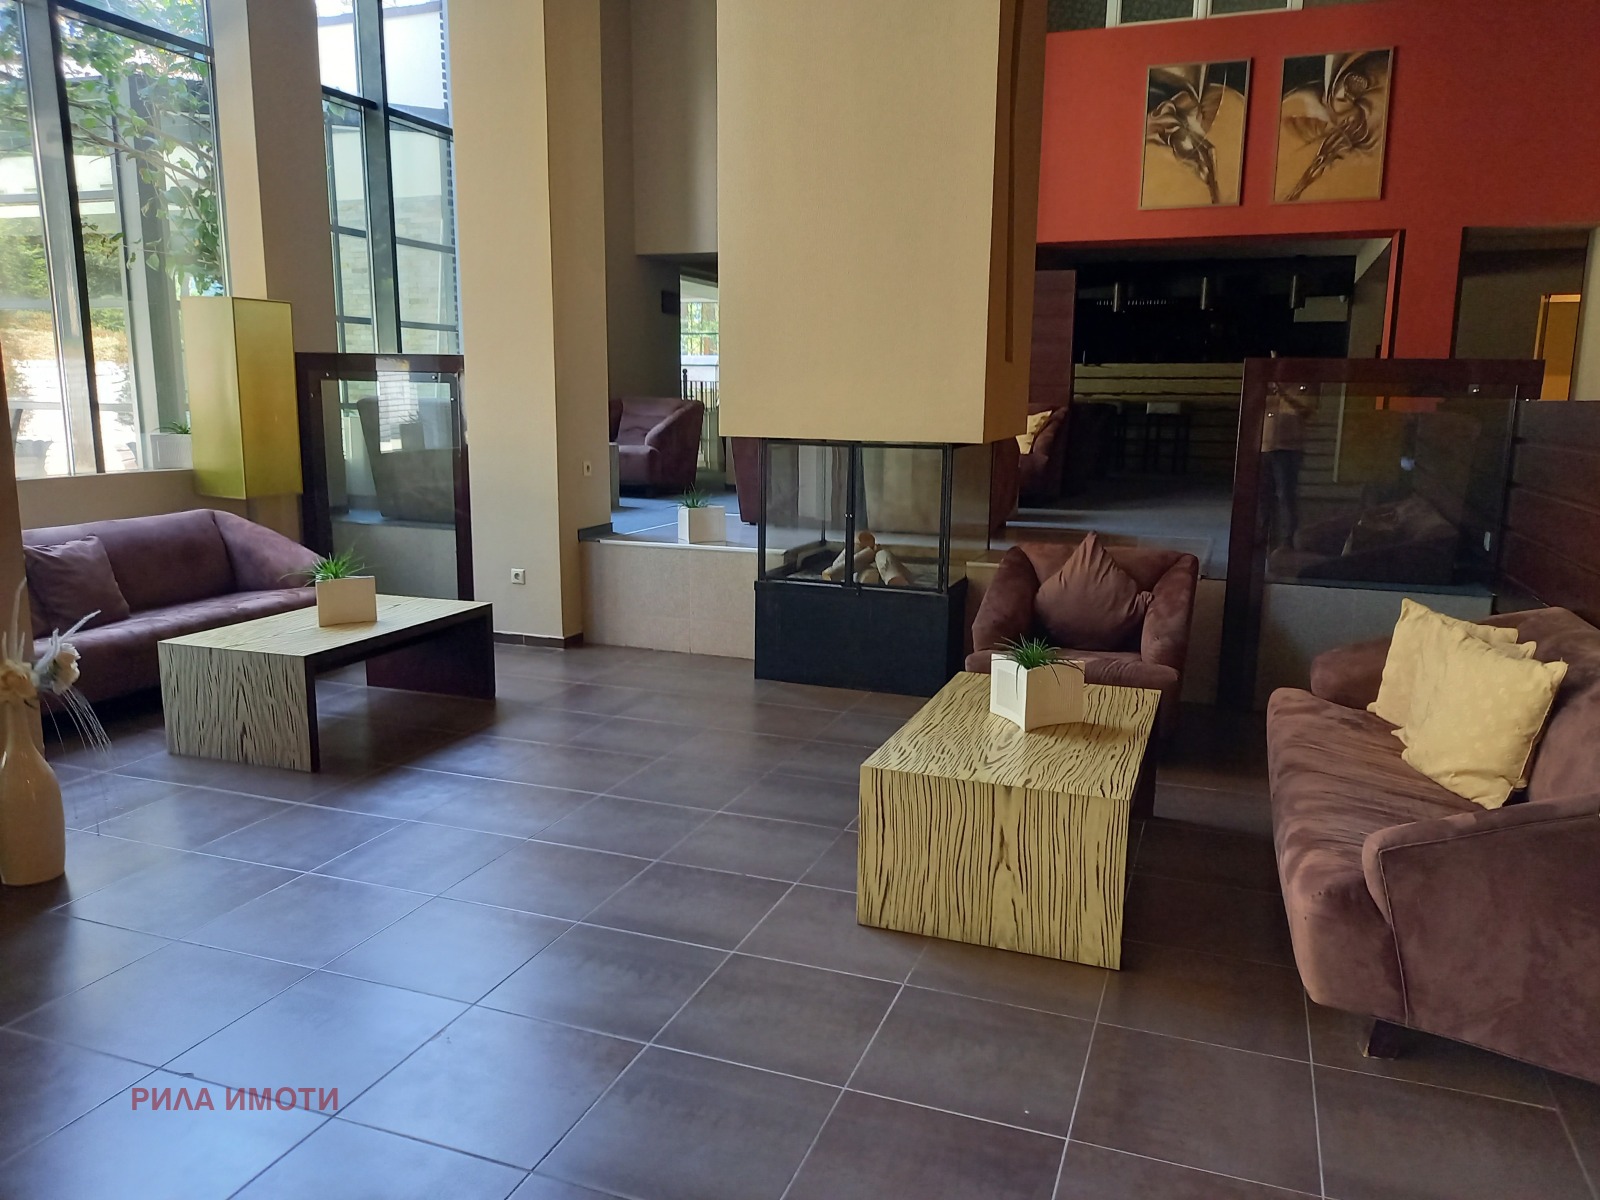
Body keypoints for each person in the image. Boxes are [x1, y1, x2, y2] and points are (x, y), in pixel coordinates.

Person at [1260, 383, 1318, 550]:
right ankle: (1262, 534)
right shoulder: (1266, 387)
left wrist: (1284, 395)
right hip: (1264, 448)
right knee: (1263, 495)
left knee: (1285, 495)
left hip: (1288, 450)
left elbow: (1305, 411)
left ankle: (1288, 539)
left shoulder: (1302, 388)